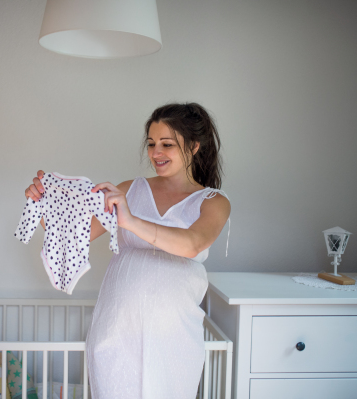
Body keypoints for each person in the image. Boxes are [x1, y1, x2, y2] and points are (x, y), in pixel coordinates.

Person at [23, 103, 231, 398]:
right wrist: (42, 202)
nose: (156, 153)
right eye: (151, 144)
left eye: (167, 144)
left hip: (173, 337)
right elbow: (74, 233)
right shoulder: (129, 190)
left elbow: (193, 243)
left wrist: (131, 221)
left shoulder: (212, 201)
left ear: (194, 146)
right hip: (116, 330)